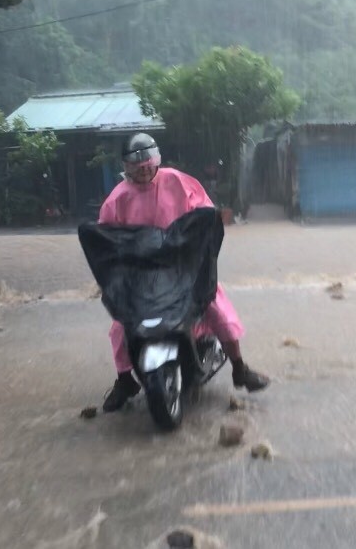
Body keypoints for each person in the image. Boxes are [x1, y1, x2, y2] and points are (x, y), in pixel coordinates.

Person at [98, 133, 270, 412]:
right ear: (126, 168)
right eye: (136, 168)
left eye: (147, 166)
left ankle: (240, 368)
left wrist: (203, 231)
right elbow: (105, 238)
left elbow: (204, 211)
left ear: (156, 163)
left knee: (215, 307)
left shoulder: (177, 181)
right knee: (120, 325)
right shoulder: (117, 200)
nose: (143, 172)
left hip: (184, 269)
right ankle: (124, 379)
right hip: (142, 277)